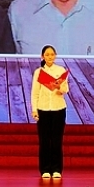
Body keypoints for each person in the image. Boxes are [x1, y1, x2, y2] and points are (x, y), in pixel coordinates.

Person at [31, 44, 69, 179]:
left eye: (52, 54)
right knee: (45, 140)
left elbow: (65, 89)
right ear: (42, 57)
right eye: (47, 55)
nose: (50, 57)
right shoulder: (39, 72)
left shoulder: (61, 70)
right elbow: (35, 93)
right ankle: (45, 169)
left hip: (59, 109)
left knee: (57, 140)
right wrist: (34, 110)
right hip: (43, 109)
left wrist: (59, 88)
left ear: (55, 56)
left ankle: (57, 169)